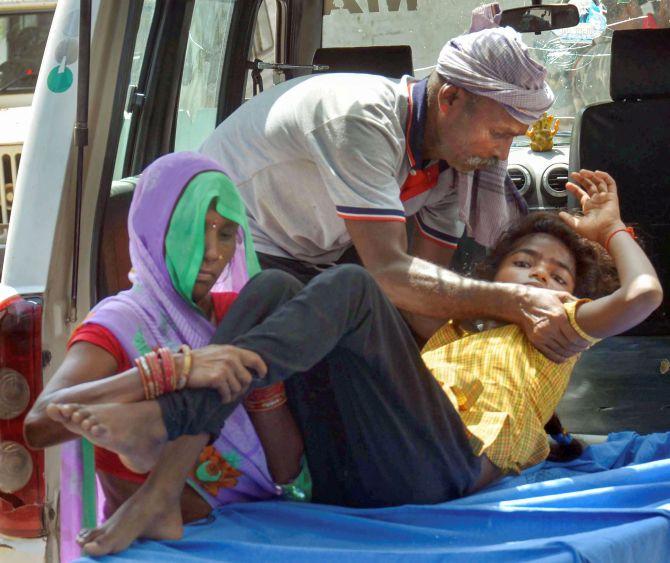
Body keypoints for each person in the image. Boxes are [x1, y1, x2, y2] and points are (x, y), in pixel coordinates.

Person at [47, 169, 662, 556]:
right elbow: (381, 327)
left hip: (452, 472)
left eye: (557, 276)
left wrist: (610, 231)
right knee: (272, 290)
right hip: (367, 475)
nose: (539, 278)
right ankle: (163, 484)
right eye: (525, 263)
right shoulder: (450, 324)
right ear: (495, 274)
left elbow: (644, 298)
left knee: (350, 284)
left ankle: (170, 418)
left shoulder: (559, 332)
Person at [200, 26, 589, 364]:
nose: (501, 155)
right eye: (499, 133)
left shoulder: (453, 169)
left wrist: (483, 361)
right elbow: (390, 275)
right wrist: (511, 302)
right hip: (229, 247)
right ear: (449, 99)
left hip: (308, 257)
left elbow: (419, 296)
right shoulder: (359, 119)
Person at [24, 152, 308, 536]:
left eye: (225, 233)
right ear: (154, 230)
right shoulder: (120, 325)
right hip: (163, 541)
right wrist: (165, 374)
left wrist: (261, 377)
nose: (213, 252)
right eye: (194, 228)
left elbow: (286, 470)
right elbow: (40, 425)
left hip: (254, 527)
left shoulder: (241, 315)